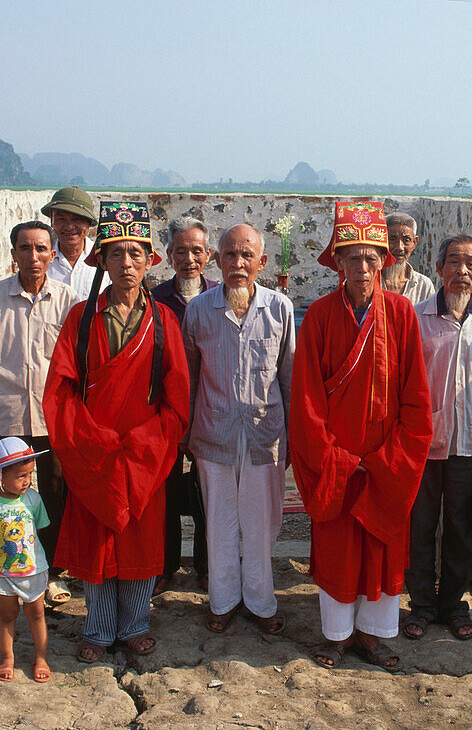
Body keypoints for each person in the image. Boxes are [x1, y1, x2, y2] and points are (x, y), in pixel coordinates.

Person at [43, 201, 189, 663]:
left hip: (144, 453)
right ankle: (99, 626)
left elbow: (177, 398)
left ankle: (135, 624)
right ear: (101, 261)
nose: (126, 264)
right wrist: (90, 441)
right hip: (95, 452)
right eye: (116, 254)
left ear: (149, 260)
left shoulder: (164, 321)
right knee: (97, 541)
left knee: (140, 538)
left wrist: (148, 443)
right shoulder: (80, 320)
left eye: (135, 254)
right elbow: (60, 393)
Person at [291, 201, 433, 672]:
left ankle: (372, 635)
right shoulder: (318, 318)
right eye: (354, 256)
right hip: (337, 460)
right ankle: (336, 635)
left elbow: (416, 396)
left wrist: (392, 458)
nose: (364, 266)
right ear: (338, 260)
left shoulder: (402, 314)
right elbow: (306, 399)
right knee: (337, 548)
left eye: (373, 257)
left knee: (381, 545)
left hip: (384, 462)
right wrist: (331, 456)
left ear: (385, 260)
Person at [181, 223, 294, 634]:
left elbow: (289, 378)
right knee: (219, 522)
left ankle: (262, 604)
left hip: (265, 437)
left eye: (247, 256)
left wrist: (293, 439)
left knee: (262, 524)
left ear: (262, 263)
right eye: (230, 255)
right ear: (217, 260)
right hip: (214, 435)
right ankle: (224, 601)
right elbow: (190, 379)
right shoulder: (198, 310)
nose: (238, 264)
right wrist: (188, 434)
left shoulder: (280, 309)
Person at [404, 235, 472, 641]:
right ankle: (422, 605)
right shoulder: (417, 316)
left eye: (470, 264)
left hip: (471, 443)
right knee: (421, 527)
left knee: (463, 530)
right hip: (424, 445)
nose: (462, 272)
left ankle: (453, 605)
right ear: (439, 267)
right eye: (454, 262)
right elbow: (404, 385)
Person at [0, 221, 77, 606]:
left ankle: (51, 575)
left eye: (41, 249)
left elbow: (78, 368)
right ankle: (9, 574)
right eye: (25, 248)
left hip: (53, 421)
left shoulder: (68, 300)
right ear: (13, 252)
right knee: (10, 503)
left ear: (53, 254)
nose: (33, 257)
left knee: (53, 498)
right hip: (9, 420)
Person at [151, 215, 220, 594]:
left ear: (208, 254)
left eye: (196, 251)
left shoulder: (220, 297)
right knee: (165, 492)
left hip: (210, 410)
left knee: (208, 492)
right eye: (181, 251)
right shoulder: (156, 300)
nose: (189, 259)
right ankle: (165, 566)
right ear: (168, 255)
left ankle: (207, 567)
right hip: (166, 413)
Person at [0, 437, 52, 683]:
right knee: (7, 616)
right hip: (2, 574)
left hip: (33, 571)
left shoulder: (33, 499)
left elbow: (38, 529)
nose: (27, 481)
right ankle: (7, 658)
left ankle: (41, 657)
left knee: (37, 614)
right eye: (20, 476)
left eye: (29, 474)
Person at [43, 185, 109, 298]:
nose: (69, 227)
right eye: (61, 219)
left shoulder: (105, 259)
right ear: (52, 222)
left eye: (77, 219)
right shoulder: (41, 260)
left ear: (89, 224)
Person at [381, 212, 435, 304]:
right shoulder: (369, 282)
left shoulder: (423, 285)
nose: (399, 247)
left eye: (406, 240)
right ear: (382, 240)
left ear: (414, 243)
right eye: (392, 239)